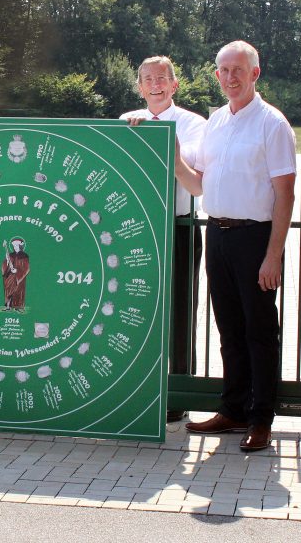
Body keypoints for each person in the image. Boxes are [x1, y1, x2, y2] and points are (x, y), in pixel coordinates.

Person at [174, 41, 296, 452]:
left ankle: (261, 419)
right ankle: (234, 409)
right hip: (219, 235)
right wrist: (173, 156)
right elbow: (198, 184)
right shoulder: (216, 122)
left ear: (254, 73)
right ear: (216, 75)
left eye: (238, 69)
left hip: (254, 238)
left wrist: (273, 255)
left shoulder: (272, 123)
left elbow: (285, 195)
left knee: (259, 332)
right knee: (229, 329)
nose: (230, 77)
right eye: (223, 70)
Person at [121, 55, 207, 424]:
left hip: (179, 227)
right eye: (147, 79)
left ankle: (178, 393)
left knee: (180, 313)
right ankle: (138, 387)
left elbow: (185, 165)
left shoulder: (193, 124)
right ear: (139, 87)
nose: (155, 84)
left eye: (162, 78)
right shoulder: (125, 122)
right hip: (136, 234)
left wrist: (152, 139)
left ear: (175, 85)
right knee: (135, 310)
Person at [1, 237, 30, 311]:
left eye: (16, 246)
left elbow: (26, 268)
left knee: (18, 291)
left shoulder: (24, 255)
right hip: (10, 276)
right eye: (14, 246)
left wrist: (17, 271)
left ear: (20, 246)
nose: (15, 247)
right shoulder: (11, 255)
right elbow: (5, 266)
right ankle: (8, 306)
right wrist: (7, 261)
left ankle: (18, 307)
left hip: (19, 278)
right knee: (9, 290)